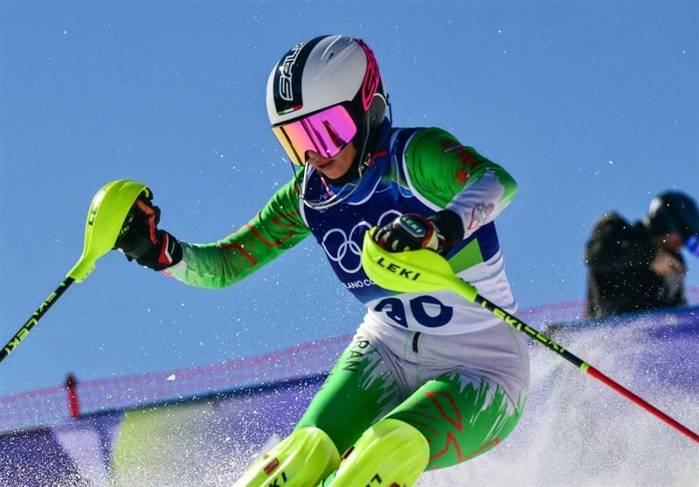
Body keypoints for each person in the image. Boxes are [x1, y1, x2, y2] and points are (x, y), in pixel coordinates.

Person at [116, 35, 528, 487]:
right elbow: (226, 265)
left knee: (384, 452)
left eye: (327, 131)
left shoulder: (413, 159)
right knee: (299, 458)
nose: (314, 154)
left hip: (482, 366)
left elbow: (496, 181)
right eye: (296, 140)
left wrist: (441, 227)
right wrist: (159, 251)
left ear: (368, 108)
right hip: (385, 350)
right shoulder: (308, 196)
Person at [584, 191, 699, 320]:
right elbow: (595, 256)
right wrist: (650, 256)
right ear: (662, 225)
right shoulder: (616, 230)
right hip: (606, 327)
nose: (681, 244)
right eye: (681, 235)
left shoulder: (672, 264)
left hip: (653, 330)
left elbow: (677, 317)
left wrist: (673, 283)